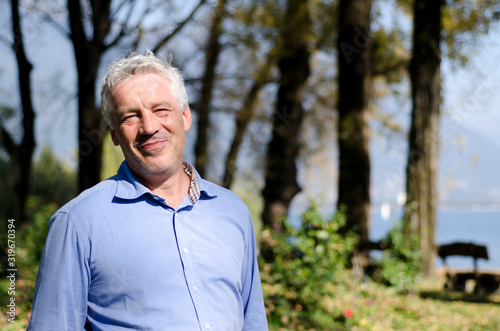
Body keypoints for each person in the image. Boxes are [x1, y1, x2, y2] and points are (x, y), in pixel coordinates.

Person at [27, 51, 268, 331]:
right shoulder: (78, 222)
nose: (150, 127)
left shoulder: (233, 210)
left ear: (185, 117)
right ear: (114, 134)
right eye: (130, 117)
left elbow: (253, 321)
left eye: (161, 110)